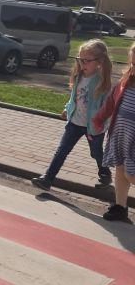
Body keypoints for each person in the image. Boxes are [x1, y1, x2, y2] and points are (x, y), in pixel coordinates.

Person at [31, 39, 112, 192]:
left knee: (96, 152)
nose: (82, 64)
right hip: (75, 122)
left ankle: (105, 173)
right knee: (62, 150)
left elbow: (107, 107)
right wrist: (67, 109)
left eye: (86, 61)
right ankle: (47, 179)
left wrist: (100, 122)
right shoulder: (78, 76)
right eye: (80, 59)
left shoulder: (101, 82)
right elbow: (74, 98)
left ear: (99, 61)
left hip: (93, 127)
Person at [92, 41, 135, 222]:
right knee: (120, 168)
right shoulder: (126, 80)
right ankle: (120, 206)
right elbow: (111, 102)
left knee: (130, 173)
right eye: (133, 61)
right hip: (121, 133)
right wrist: (99, 118)